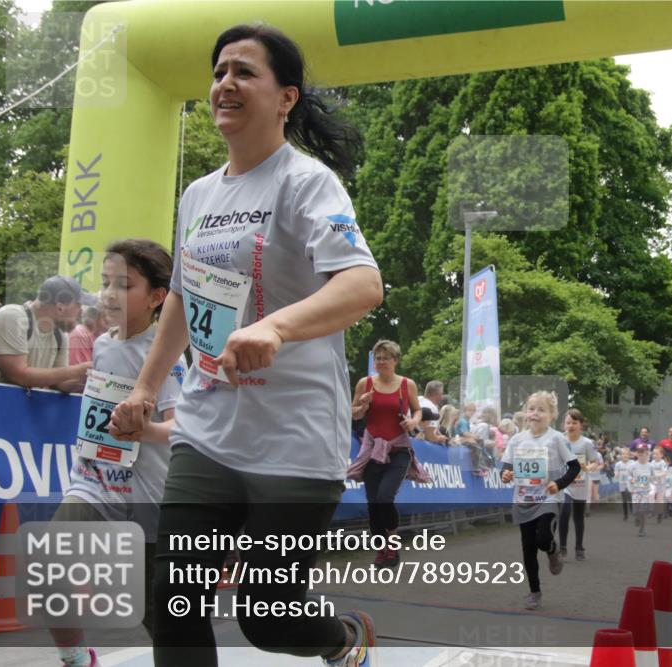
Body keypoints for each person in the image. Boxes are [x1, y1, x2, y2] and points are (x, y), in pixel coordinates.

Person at [110, 24, 383, 667]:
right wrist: (146, 388)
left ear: (286, 97)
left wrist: (276, 326)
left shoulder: (307, 183)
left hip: (293, 435)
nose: (224, 83)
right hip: (207, 430)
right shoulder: (199, 196)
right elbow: (181, 297)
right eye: (219, 71)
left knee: (266, 616)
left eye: (244, 72)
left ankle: (345, 639)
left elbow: (363, 282)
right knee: (172, 598)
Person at [50, 240, 181, 667]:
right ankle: (77, 658)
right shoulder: (102, 345)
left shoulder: (166, 354)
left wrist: (143, 432)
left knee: (159, 620)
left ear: (158, 297)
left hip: (147, 497)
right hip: (94, 484)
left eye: (123, 285)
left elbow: (184, 429)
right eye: (105, 282)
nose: (108, 293)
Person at [348, 339, 429, 568]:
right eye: (378, 358)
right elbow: (353, 414)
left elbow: (418, 410)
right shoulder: (365, 383)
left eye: (385, 357)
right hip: (372, 448)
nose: (381, 362)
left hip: (399, 448)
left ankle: (392, 544)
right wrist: (362, 407)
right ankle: (381, 549)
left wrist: (413, 421)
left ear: (395, 360)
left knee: (385, 498)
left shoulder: (407, 384)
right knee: (373, 503)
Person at [500, 391, 580, 611]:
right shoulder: (517, 440)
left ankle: (552, 550)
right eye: (532, 408)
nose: (535, 413)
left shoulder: (556, 439)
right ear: (526, 412)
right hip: (523, 499)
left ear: (552, 415)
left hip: (548, 497)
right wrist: (506, 475)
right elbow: (505, 468)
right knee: (528, 549)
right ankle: (534, 592)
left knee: (543, 538)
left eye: (541, 409)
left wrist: (559, 484)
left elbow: (575, 467)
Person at [0, 274, 93, 392]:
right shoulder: (13, 317)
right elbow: (18, 376)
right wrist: (78, 371)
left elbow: (60, 383)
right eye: (78, 305)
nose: (81, 311)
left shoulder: (60, 336)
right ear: (60, 308)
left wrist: (93, 382)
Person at [559, 409, 601, 561]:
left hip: (580, 484)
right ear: (564, 424)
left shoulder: (587, 443)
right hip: (564, 485)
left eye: (574, 423)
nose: (571, 426)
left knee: (578, 517)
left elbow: (595, 463)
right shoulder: (559, 440)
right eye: (568, 422)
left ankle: (579, 547)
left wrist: (587, 468)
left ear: (581, 425)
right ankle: (562, 547)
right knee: (564, 511)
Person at [630, 448, 653, 536]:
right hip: (635, 491)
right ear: (637, 455)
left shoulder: (650, 466)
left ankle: (642, 530)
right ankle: (636, 517)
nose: (641, 457)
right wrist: (631, 480)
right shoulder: (632, 466)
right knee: (636, 511)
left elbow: (653, 477)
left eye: (643, 455)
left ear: (646, 455)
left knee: (642, 511)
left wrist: (651, 481)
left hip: (645, 491)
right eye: (639, 455)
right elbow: (628, 476)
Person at [650, 446, 669, 523]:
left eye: (657, 454)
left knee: (659, 500)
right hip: (653, 483)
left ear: (661, 455)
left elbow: (665, 473)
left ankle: (660, 514)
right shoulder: (651, 463)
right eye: (654, 454)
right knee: (651, 494)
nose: (655, 455)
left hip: (661, 484)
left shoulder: (662, 463)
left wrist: (657, 475)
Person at [614, 449, 632, 521]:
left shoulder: (632, 463)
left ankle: (633, 511)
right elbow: (616, 472)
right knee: (624, 499)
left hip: (630, 483)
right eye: (623, 454)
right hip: (622, 483)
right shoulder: (618, 464)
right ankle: (625, 515)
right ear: (621, 455)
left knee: (631, 498)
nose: (625, 455)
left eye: (627, 454)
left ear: (629, 455)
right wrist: (616, 474)